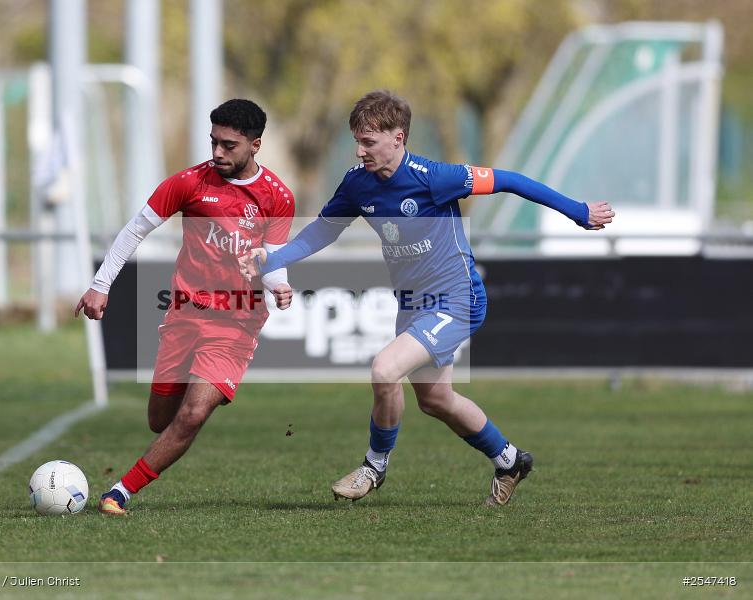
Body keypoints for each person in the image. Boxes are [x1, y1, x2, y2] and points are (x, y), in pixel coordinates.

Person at [240, 90, 614, 506]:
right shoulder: (357, 183)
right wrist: (275, 256)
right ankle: (510, 460)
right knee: (436, 400)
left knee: (385, 369)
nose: (359, 150)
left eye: (368, 142)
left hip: (457, 298)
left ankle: (374, 466)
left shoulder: (434, 177)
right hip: (414, 303)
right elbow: (323, 231)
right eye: (357, 141)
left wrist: (578, 211)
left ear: (398, 138)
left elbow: (510, 180)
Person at [76, 99, 295, 515]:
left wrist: (279, 285)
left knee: (193, 414)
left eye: (229, 145)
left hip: (237, 322)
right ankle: (167, 438)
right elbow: (134, 231)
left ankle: (120, 491)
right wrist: (100, 285)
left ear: (256, 145)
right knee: (162, 420)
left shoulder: (277, 197)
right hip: (184, 314)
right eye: (213, 142)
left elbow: (275, 258)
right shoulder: (189, 183)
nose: (217, 153)